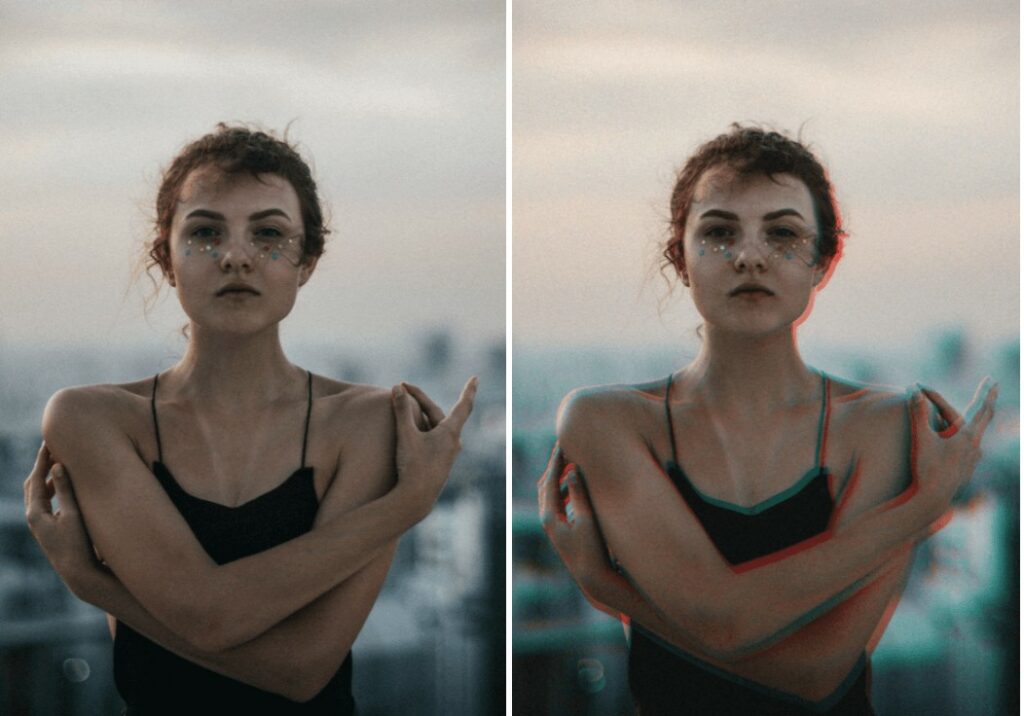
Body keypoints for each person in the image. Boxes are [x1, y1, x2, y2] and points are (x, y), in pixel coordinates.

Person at [538, 125, 997, 715]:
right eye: (719, 232)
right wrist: (916, 511)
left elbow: (814, 674)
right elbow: (722, 622)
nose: (749, 255)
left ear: (822, 262)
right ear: (680, 256)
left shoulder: (886, 424)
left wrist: (616, 593)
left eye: (782, 233)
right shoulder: (606, 421)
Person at [22, 124, 477, 714]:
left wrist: (96, 585)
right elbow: (211, 618)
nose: (236, 256)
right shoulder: (94, 418)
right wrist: (403, 508)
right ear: (166, 257)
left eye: (268, 234)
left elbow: (301, 671)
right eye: (206, 233)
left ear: (307, 261)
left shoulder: (368, 420)